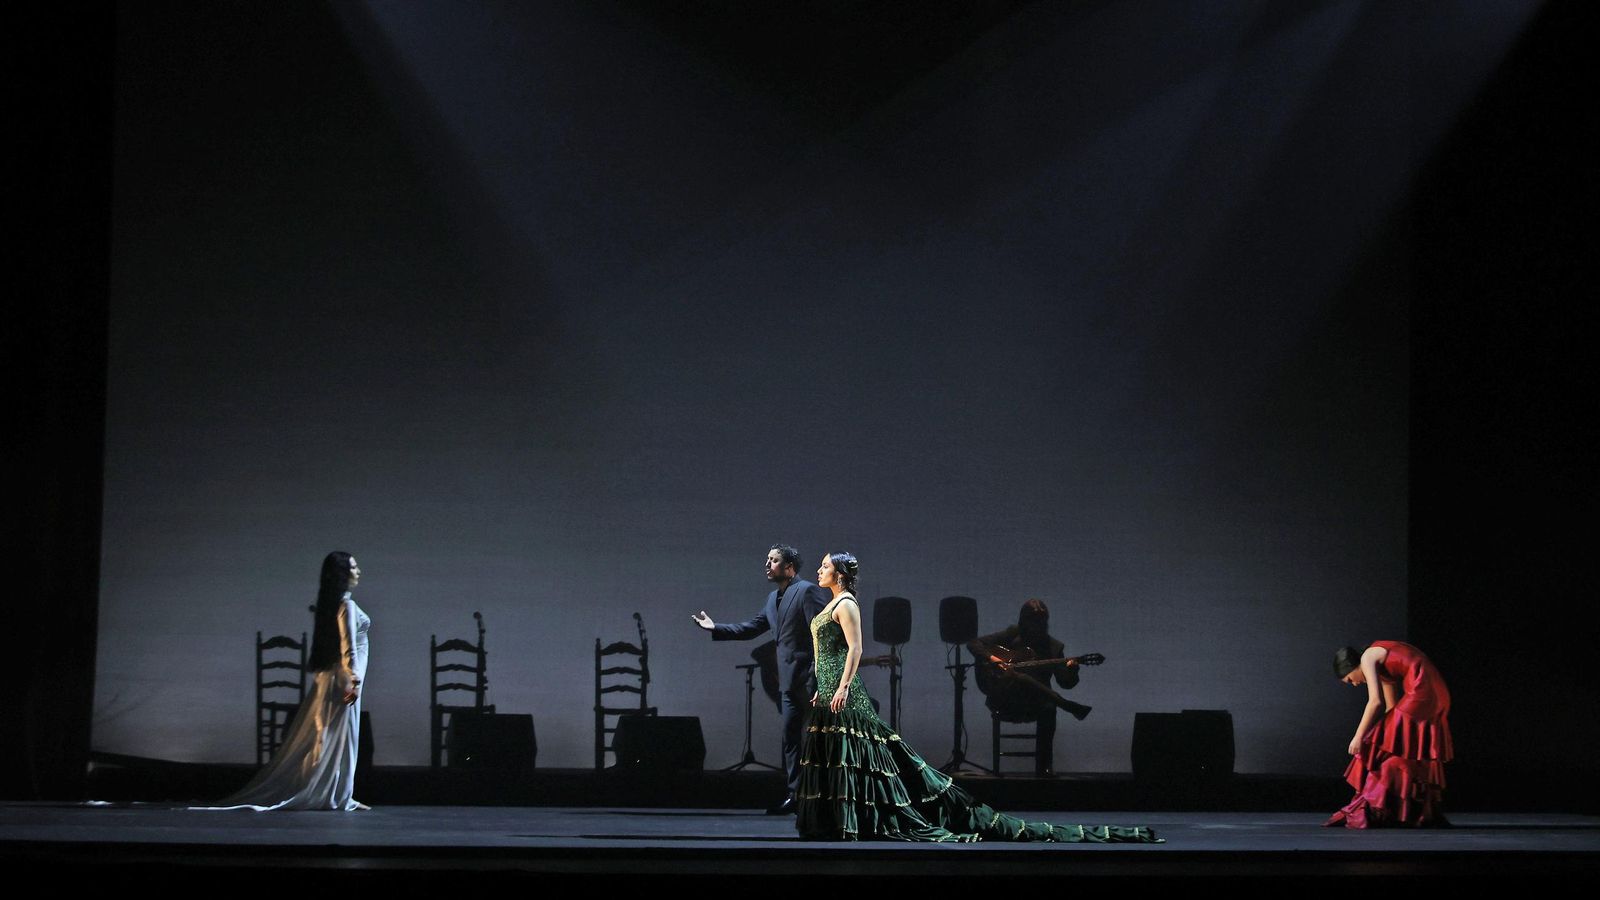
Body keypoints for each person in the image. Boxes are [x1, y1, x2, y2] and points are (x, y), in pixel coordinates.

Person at [796, 552, 1160, 843]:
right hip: (829, 690)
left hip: (845, 692)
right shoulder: (832, 604)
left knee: (861, 758)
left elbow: (854, 648)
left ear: (839, 573)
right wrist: (822, 687)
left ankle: (860, 820)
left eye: (825, 566)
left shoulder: (846, 604)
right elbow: (831, 653)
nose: (819, 570)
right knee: (843, 757)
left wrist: (842, 686)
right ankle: (838, 821)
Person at [203, 552, 371, 811]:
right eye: (353, 567)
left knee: (332, 737)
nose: (358, 571)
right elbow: (348, 649)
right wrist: (354, 682)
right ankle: (335, 794)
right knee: (342, 738)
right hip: (345, 680)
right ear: (342, 573)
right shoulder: (346, 606)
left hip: (336, 679)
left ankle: (337, 793)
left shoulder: (335, 605)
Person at [693, 544, 828, 814]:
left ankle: (825, 798)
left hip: (809, 681)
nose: (767, 564)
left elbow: (823, 635)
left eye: (773, 560)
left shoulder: (807, 591)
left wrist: (817, 678)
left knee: (819, 741)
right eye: (767, 559)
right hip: (788, 682)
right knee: (791, 739)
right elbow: (752, 627)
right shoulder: (772, 599)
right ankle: (796, 796)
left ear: (789, 566)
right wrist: (716, 627)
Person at [1325, 641, 1453, 828]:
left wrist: (1358, 737)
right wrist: (1383, 738)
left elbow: (1375, 701)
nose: (1355, 684)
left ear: (1352, 667)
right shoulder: (1380, 665)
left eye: (1350, 680)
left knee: (1377, 744)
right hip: (1438, 694)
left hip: (1422, 691)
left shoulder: (1367, 657)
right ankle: (1408, 809)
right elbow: (1390, 707)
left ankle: (1376, 805)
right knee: (1399, 750)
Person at [968, 598, 1083, 776]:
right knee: (1019, 678)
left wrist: (1073, 670)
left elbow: (1065, 682)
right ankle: (1067, 705)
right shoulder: (1012, 634)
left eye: (1040, 621)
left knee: (1048, 708)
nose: (1036, 625)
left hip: (1036, 704)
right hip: (1006, 698)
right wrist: (993, 659)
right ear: (1024, 620)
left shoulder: (1054, 647)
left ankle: (1044, 767)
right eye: (1032, 620)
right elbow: (973, 643)